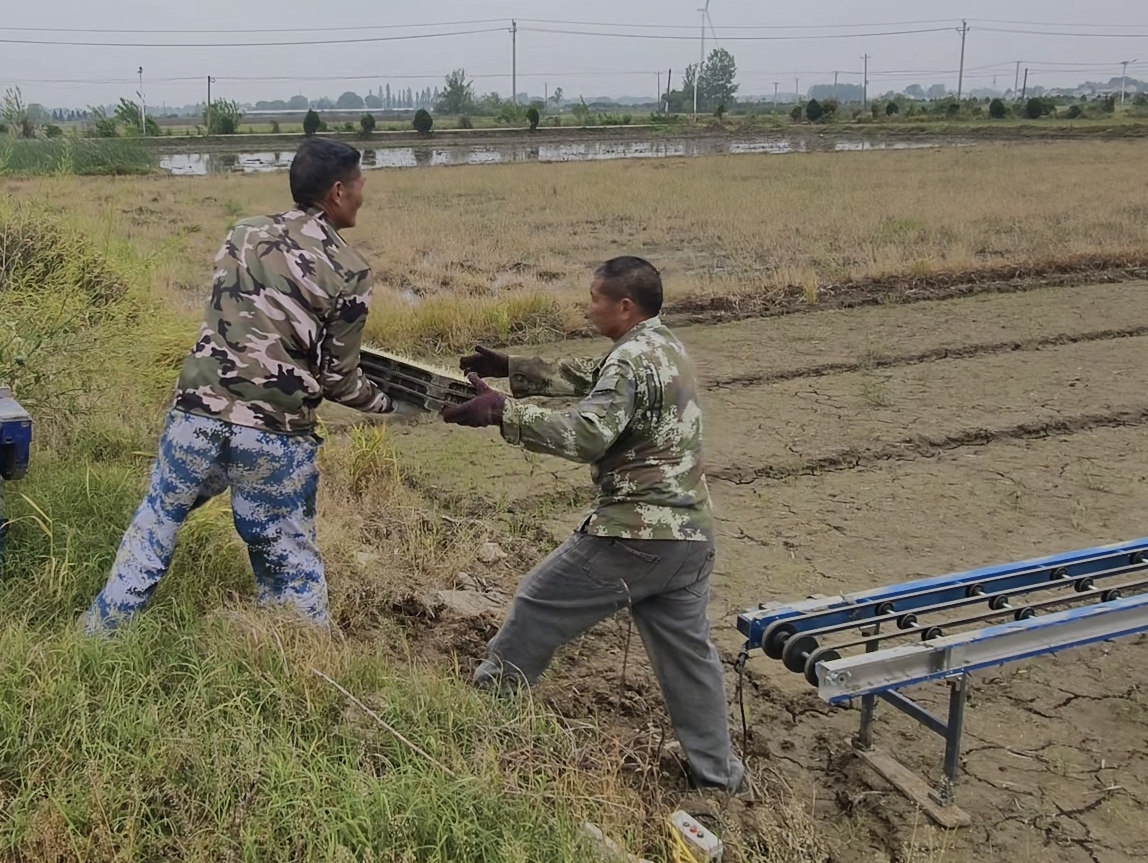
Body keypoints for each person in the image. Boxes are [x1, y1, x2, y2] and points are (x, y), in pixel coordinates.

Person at [439, 256, 748, 798]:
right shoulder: (662, 345)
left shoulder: (630, 358)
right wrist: (513, 367)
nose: (588, 309)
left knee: (539, 602)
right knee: (689, 659)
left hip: (636, 535)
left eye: (595, 299)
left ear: (624, 306)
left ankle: (482, 713)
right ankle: (721, 777)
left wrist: (503, 412)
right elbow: (593, 377)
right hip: (690, 537)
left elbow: (588, 435)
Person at [85, 138, 395, 633]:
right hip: (273, 432)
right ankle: (303, 654)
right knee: (286, 553)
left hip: (196, 413)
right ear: (338, 191)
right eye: (360, 183)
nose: (364, 192)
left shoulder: (244, 232)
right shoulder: (349, 270)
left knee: (157, 520)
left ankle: (100, 634)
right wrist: (388, 403)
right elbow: (338, 381)